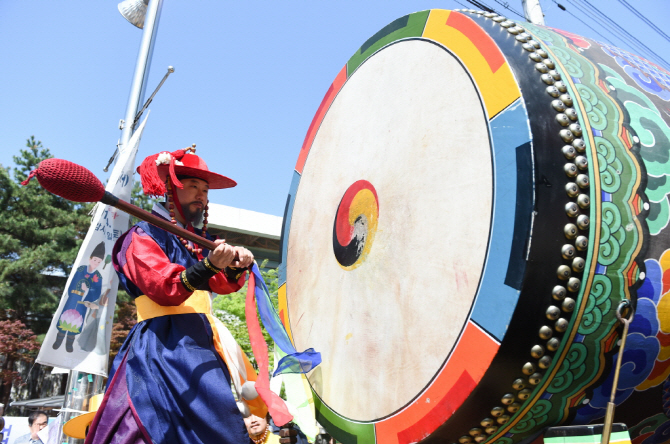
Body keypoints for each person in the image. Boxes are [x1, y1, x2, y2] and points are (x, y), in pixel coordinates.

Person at [85, 147, 267, 444]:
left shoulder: (199, 242)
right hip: (162, 346)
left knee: (221, 422)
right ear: (171, 188)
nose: (202, 196)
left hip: (200, 341)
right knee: (150, 423)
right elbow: (164, 287)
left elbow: (221, 283)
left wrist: (236, 266)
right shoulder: (142, 235)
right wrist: (210, 265)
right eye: (193, 186)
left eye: (205, 190)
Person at [52, 242, 105, 353]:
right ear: (90, 259)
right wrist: (72, 294)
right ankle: (59, 339)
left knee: (76, 321)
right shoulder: (81, 269)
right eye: (95, 260)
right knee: (65, 318)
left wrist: (88, 290)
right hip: (73, 298)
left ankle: (69, 343)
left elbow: (97, 292)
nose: (96, 263)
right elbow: (72, 283)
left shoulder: (98, 277)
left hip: (84, 302)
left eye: (99, 262)